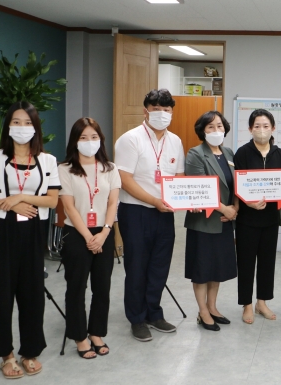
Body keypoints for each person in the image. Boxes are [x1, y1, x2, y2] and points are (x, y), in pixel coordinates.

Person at [0, 101, 61, 379]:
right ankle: (6, 354)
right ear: (9, 126)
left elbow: (52, 199)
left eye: (28, 122)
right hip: (1, 232)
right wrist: (8, 206)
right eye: (17, 122)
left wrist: (21, 198)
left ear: (36, 127)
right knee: (2, 295)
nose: (22, 128)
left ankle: (29, 351)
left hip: (34, 230)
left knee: (33, 294)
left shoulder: (47, 160)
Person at [114, 89, 185, 342]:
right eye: (156, 109)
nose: (162, 114)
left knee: (159, 265)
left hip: (164, 213)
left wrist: (178, 198)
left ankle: (154, 313)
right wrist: (155, 200)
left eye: (166, 110)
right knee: (137, 266)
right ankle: (137, 317)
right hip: (136, 211)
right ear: (146, 111)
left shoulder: (175, 141)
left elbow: (177, 177)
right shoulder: (130, 139)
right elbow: (124, 179)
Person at [59, 118, 121, 358]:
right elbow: (69, 207)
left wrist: (105, 232)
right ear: (75, 141)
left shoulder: (110, 168)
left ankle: (96, 332)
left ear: (100, 140)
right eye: (83, 137)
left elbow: (113, 202)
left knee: (102, 287)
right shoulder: (64, 169)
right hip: (77, 234)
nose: (89, 142)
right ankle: (79, 336)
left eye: (93, 137)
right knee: (76, 287)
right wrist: (88, 236)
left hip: (104, 233)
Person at [184, 111, 238, 332]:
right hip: (203, 223)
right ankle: (202, 312)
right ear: (202, 131)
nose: (216, 131)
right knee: (202, 269)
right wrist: (225, 208)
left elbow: (236, 184)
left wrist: (235, 207)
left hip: (225, 220)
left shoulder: (228, 152)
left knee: (217, 268)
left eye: (219, 126)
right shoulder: (196, 154)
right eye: (210, 127)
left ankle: (213, 307)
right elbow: (198, 188)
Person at [233, 109, 281, 324]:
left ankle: (261, 301)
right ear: (250, 129)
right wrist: (248, 202)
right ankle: (246, 304)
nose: (262, 130)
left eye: (266, 126)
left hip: (271, 219)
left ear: (273, 129)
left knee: (267, 262)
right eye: (257, 126)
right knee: (246, 262)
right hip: (247, 218)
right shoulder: (242, 153)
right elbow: (236, 184)